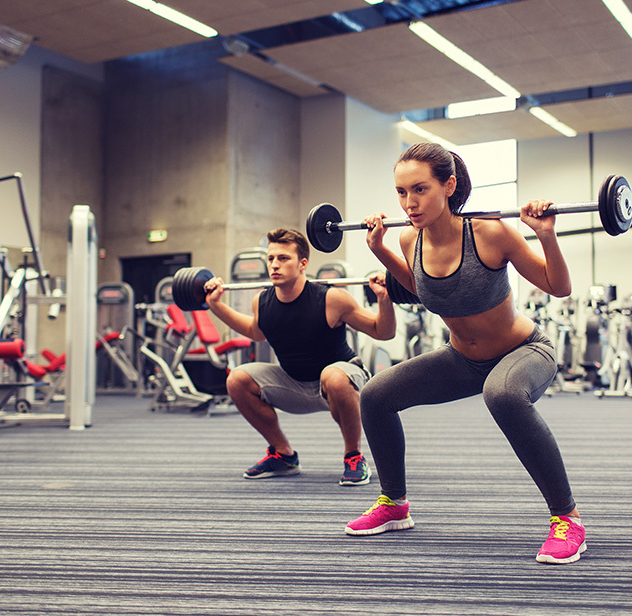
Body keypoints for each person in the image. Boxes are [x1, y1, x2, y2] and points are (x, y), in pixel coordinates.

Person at [346, 142, 586, 565]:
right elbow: (425, 291)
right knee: (375, 395)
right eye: (401, 192)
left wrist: (545, 234)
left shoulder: (491, 233)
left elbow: (558, 286)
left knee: (503, 395)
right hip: (462, 359)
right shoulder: (409, 239)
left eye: (420, 190)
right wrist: (380, 250)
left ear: (449, 185)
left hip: (523, 351)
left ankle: (568, 519)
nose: (409, 202)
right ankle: (394, 503)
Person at [203, 228, 396, 486]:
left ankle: (354, 456)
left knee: (334, 376)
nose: (274, 265)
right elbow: (255, 332)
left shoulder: (332, 298)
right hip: (294, 383)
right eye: (271, 259)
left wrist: (384, 299)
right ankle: (283, 455)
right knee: (237, 379)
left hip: (341, 381)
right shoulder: (262, 301)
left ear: (303, 264)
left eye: (283, 258)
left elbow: (383, 332)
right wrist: (216, 305)